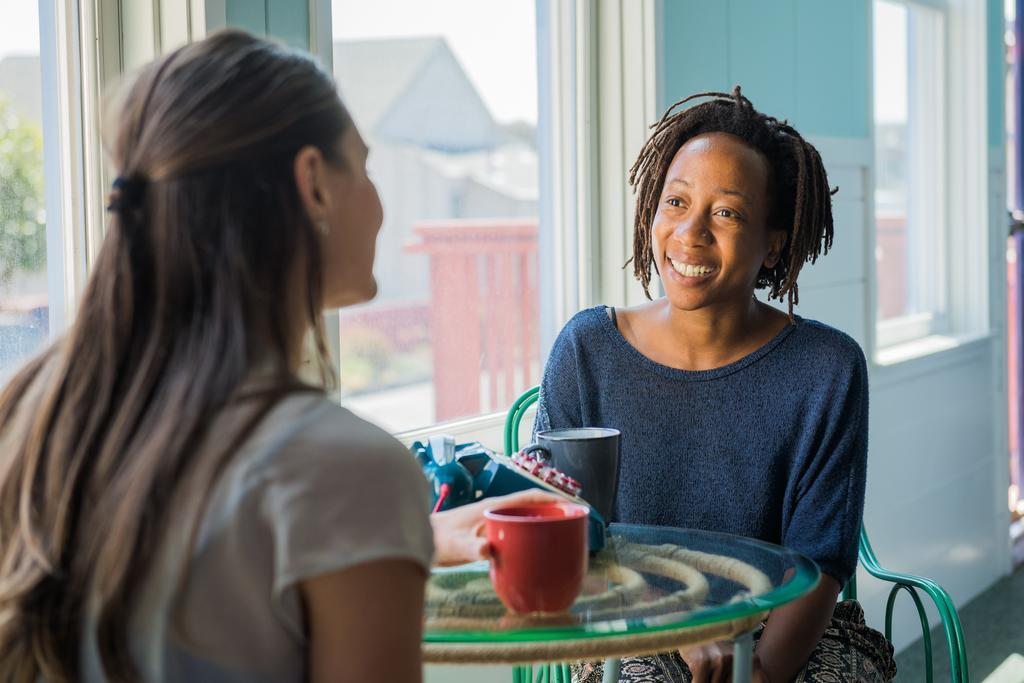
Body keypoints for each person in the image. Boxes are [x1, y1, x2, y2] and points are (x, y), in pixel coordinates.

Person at [0, 30, 552, 683]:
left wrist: (412, 542)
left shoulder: (34, 414)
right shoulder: (347, 468)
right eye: (365, 166)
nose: (380, 205)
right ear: (313, 182)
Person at [535, 89, 896, 683]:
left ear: (774, 241)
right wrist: (674, 624)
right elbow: (561, 536)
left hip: (788, 624)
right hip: (632, 624)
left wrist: (760, 674)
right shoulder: (586, 351)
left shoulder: (828, 369)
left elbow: (821, 560)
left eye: (726, 212)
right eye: (676, 201)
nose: (691, 231)